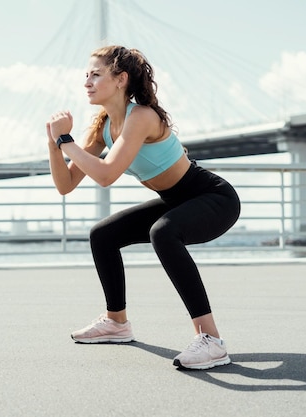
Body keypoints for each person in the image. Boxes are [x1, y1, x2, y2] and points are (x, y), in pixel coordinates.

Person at [46, 45, 241, 370]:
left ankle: (212, 341)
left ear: (121, 79)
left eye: (96, 74)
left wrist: (66, 141)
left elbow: (106, 174)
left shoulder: (142, 117)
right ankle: (117, 322)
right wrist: (53, 142)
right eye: (86, 75)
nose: (87, 82)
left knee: (162, 232)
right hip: (176, 200)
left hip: (213, 198)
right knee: (103, 235)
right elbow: (65, 184)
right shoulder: (104, 125)